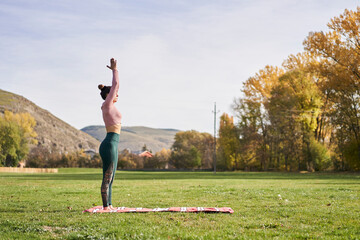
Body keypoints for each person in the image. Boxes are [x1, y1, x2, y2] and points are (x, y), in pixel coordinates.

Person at [98, 58, 153, 211]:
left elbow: (115, 89)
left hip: (112, 143)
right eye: (115, 94)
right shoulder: (107, 105)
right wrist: (115, 70)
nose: (118, 95)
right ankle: (105, 207)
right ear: (109, 95)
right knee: (107, 176)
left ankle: (109, 204)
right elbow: (116, 85)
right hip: (109, 143)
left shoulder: (110, 106)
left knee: (112, 176)